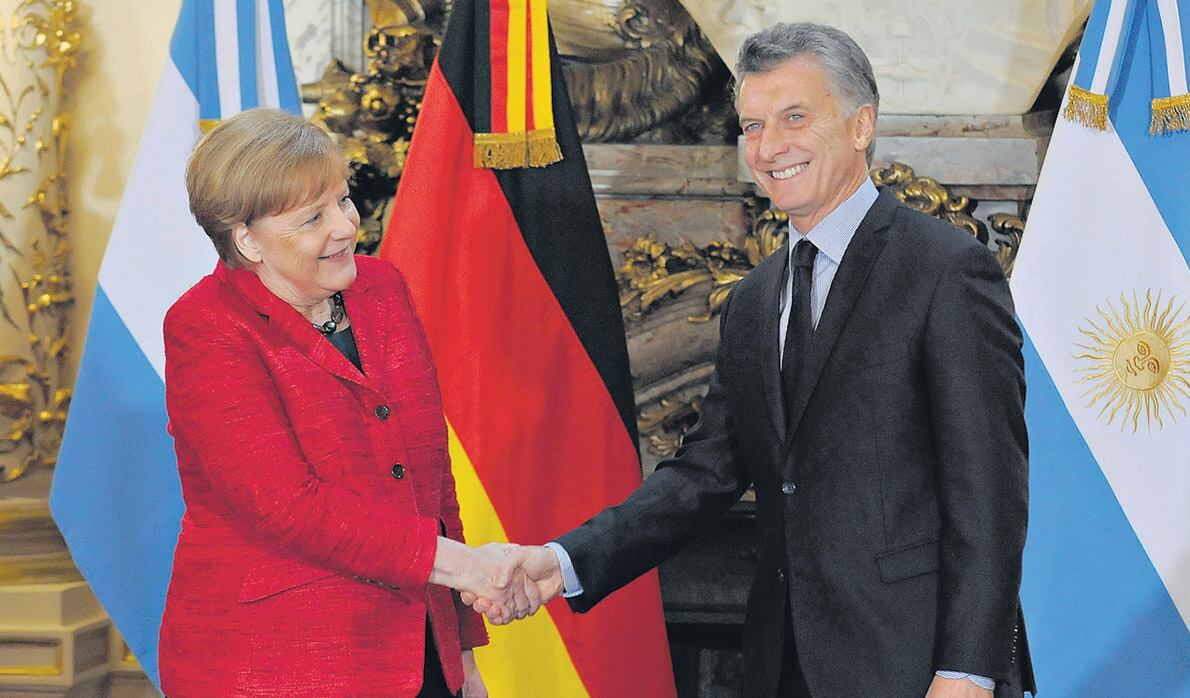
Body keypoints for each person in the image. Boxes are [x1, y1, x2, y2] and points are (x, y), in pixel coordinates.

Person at [472, 22, 1035, 697]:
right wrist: (562, 561)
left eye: (794, 118)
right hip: (780, 662)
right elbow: (702, 473)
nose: (769, 148)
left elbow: (990, 494)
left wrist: (967, 669)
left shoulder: (947, 271)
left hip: (916, 666)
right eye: (752, 126)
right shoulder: (753, 299)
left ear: (860, 125)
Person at [158, 108, 534, 697]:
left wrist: (462, 651)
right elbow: (285, 506)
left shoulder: (383, 289)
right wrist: (466, 566)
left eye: (343, 200)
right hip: (277, 662)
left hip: (420, 650)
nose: (344, 227)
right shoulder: (206, 327)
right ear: (247, 239)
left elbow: (431, 480)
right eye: (313, 217)